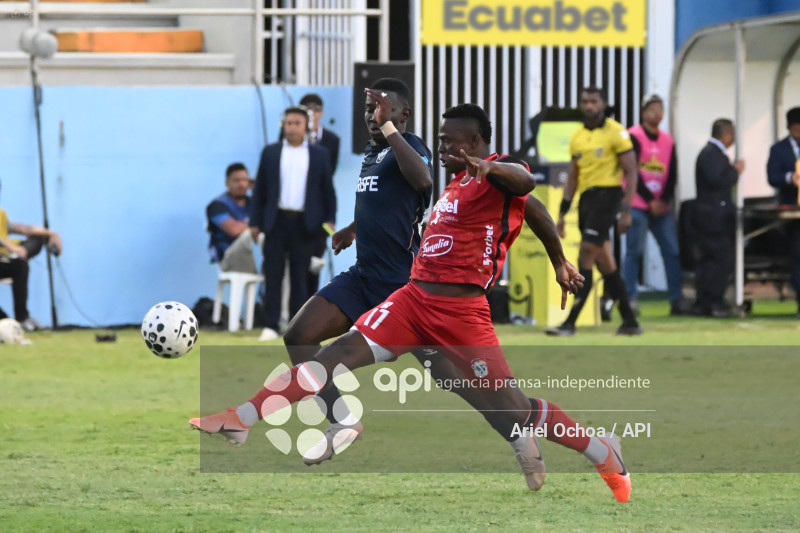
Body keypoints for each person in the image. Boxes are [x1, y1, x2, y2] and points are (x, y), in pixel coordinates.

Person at [191, 104, 632, 503]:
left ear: (474, 142)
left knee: (509, 405)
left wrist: (557, 260)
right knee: (332, 355)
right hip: (412, 300)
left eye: (448, 140)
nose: (441, 147)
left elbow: (528, 186)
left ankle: (599, 448)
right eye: (439, 140)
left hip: (463, 315)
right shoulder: (456, 186)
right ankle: (242, 417)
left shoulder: (495, 176)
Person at [548, 87, 642, 336]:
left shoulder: (616, 132)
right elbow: (573, 175)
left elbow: (632, 172)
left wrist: (627, 210)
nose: (589, 105)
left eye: (593, 101)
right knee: (606, 263)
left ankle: (570, 323)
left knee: (586, 255)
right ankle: (630, 322)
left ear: (603, 104)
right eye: (584, 101)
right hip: (587, 199)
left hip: (608, 197)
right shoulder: (577, 135)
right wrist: (562, 212)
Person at [251, 106, 337, 340]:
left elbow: (327, 191)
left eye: (297, 123)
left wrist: (329, 223)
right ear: (283, 125)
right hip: (276, 220)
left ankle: (295, 325)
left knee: (301, 276)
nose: (292, 127)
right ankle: (270, 324)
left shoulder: (319, 154)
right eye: (288, 123)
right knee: (273, 273)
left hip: (305, 223)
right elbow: (260, 190)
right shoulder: (271, 152)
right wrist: (255, 222)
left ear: (306, 126)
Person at [622, 93, 684, 315]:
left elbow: (673, 173)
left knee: (672, 251)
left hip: (661, 207)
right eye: (652, 109)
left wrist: (664, 200)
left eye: (660, 109)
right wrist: (650, 200)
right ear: (643, 113)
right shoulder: (633, 136)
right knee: (633, 252)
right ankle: (629, 298)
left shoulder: (668, 140)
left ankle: (677, 300)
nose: (657, 113)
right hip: (638, 204)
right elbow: (631, 172)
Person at [692, 119, 744, 317]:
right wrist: (735, 171)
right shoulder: (712, 154)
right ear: (726, 134)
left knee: (709, 261)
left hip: (709, 216)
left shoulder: (710, 153)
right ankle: (713, 302)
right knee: (720, 260)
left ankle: (704, 302)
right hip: (714, 217)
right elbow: (717, 180)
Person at [0, 188, 63, 331]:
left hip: (6, 259)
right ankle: (5, 321)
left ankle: (22, 318)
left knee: (34, 243)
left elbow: (21, 228)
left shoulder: (1, 214)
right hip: (4, 255)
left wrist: (51, 233)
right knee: (19, 261)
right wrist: (11, 247)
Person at [298, 93, 342, 294]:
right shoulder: (292, 136)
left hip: (318, 207)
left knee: (315, 261)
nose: (312, 114)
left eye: (315, 110)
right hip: (296, 207)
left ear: (321, 112)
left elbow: (328, 177)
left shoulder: (332, 140)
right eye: (307, 110)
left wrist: (330, 217)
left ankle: (310, 301)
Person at [767, 107, 800, 315]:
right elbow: (772, 176)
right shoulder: (778, 149)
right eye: (796, 129)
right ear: (789, 128)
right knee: (798, 255)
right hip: (792, 210)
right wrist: (790, 178)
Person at [206, 163, 258, 274]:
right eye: (236, 180)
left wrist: (258, 192)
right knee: (249, 236)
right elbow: (233, 230)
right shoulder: (217, 206)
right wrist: (255, 226)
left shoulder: (253, 204)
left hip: (253, 255)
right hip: (228, 257)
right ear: (227, 183)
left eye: (245, 180)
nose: (241, 184)